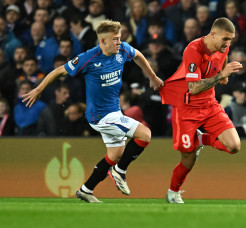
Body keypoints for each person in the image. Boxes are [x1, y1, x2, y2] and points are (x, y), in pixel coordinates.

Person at [22, 20, 163, 203]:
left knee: (115, 155)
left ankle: (86, 189)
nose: (119, 42)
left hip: (115, 113)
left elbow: (138, 56)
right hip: (100, 116)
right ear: (102, 41)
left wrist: (152, 76)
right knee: (145, 134)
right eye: (115, 39)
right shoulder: (88, 58)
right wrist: (38, 90)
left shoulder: (123, 50)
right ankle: (120, 171)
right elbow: (58, 71)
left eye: (120, 38)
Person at [160, 17, 243, 203]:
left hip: (210, 105)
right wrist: (222, 74)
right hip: (186, 109)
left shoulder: (224, 48)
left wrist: (223, 76)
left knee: (234, 146)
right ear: (213, 34)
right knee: (188, 158)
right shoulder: (193, 50)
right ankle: (173, 191)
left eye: (231, 39)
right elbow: (194, 88)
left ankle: (201, 138)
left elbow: (223, 59)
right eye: (225, 39)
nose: (228, 44)